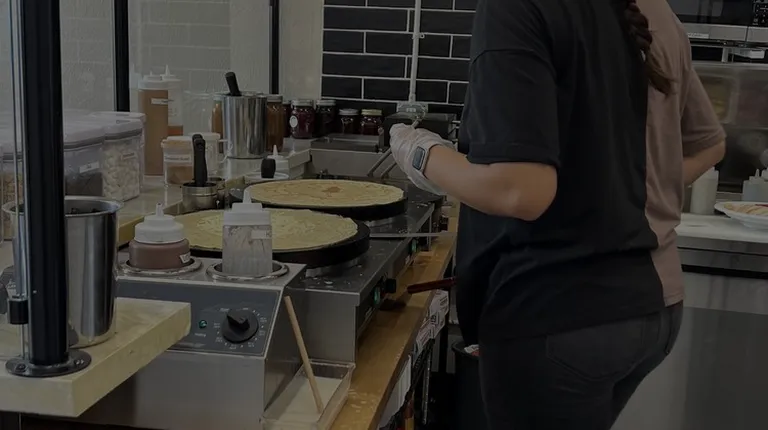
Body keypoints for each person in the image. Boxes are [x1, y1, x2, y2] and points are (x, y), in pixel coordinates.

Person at [388, 0, 725, 427]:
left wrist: (419, 152)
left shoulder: (517, 8)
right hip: (654, 308)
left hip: (559, 317)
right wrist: (623, 194)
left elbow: (518, 190)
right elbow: (708, 145)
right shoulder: (656, 9)